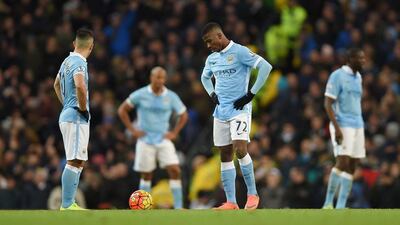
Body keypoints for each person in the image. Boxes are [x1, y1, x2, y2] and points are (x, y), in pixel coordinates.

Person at [200, 22, 273, 210]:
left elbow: (265, 67)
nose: (208, 46)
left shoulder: (240, 51)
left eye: (209, 41)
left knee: (240, 149)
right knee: (224, 154)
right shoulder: (212, 59)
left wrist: (251, 94)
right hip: (221, 112)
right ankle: (231, 202)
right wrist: (212, 94)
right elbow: (204, 77)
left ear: (219, 36)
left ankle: (252, 194)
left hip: (240, 110)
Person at [118, 66, 188, 209]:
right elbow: (122, 110)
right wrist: (133, 130)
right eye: (157, 77)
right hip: (145, 140)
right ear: (151, 78)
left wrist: (174, 132)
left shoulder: (171, 96)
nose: (159, 80)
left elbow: (184, 114)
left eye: (162, 78)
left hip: (163, 138)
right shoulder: (140, 94)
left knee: (175, 169)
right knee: (146, 174)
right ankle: (144, 207)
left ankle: (179, 207)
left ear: (165, 79)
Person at [53, 28, 94, 210]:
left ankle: (70, 204)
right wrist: (82, 108)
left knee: (78, 160)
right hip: (76, 115)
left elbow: (55, 84)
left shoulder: (66, 61)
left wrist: (66, 105)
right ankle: (67, 204)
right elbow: (80, 85)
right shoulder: (79, 62)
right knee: (74, 160)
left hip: (67, 113)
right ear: (91, 47)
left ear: (74, 44)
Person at [322, 48, 366, 209]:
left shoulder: (358, 77)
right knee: (342, 162)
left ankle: (340, 206)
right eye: (360, 58)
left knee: (353, 165)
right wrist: (337, 127)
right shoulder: (337, 76)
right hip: (342, 124)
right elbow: (328, 103)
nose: (363, 61)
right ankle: (328, 203)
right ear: (350, 58)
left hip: (358, 125)